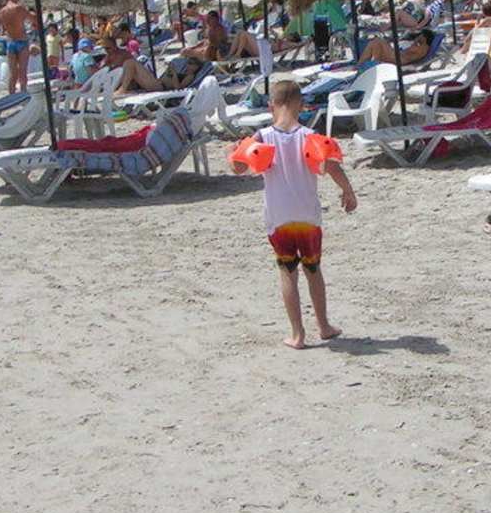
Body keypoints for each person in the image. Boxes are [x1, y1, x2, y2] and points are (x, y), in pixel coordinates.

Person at [230, 80, 356, 349]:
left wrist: (233, 153)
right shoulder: (310, 135)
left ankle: (297, 334)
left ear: (271, 106)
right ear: (301, 105)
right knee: (313, 270)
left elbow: (238, 168)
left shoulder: (262, 137)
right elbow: (332, 166)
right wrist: (348, 191)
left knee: (287, 272)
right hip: (307, 215)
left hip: (278, 217)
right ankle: (324, 326)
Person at [114, 52, 206, 94]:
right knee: (128, 64)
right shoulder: (184, 72)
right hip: (158, 83)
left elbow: (178, 88)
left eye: (192, 63)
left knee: (131, 63)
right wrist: (169, 70)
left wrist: (173, 73)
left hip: (160, 87)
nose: (188, 64)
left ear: (197, 67)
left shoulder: (190, 76)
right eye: (189, 62)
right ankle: (118, 88)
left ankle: (122, 89)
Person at [0, 0, 32, 94]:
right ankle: (24, 94)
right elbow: (33, 19)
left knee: (13, 74)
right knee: (22, 71)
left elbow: (2, 28)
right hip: (22, 40)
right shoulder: (19, 8)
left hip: (10, 42)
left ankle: (11, 95)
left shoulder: (2, 12)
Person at [357, 26, 435, 66]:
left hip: (400, 60)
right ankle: (370, 65)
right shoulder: (421, 45)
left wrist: (416, 42)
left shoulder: (423, 48)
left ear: (425, 38)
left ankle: (361, 66)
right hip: (398, 56)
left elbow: (410, 50)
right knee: (375, 43)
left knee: (378, 41)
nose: (418, 38)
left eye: (420, 37)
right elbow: (409, 50)